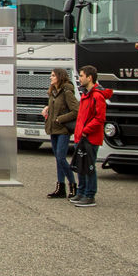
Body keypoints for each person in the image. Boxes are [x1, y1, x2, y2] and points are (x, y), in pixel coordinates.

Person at [71, 65, 110, 208]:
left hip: (90, 138)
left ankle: (90, 194)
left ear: (89, 77)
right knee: (81, 166)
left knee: (89, 166)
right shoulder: (86, 95)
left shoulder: (97, 96)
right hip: (81, 137)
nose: (79, 78)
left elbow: (100, 118)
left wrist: (86, 130)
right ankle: (81, 192)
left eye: (81, 76)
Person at [43, 67, 79, 199]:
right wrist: (47, 109)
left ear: (59, 76)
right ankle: (60, 187)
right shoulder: (53, 91)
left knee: (61, 157)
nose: (50, 77)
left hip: (62, 129)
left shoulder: (67, 91)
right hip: (53, 129)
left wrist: (60, 119)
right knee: (58, 160)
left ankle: (73, 185)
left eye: (53, 75)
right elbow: (56, 106)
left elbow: (76, 110)